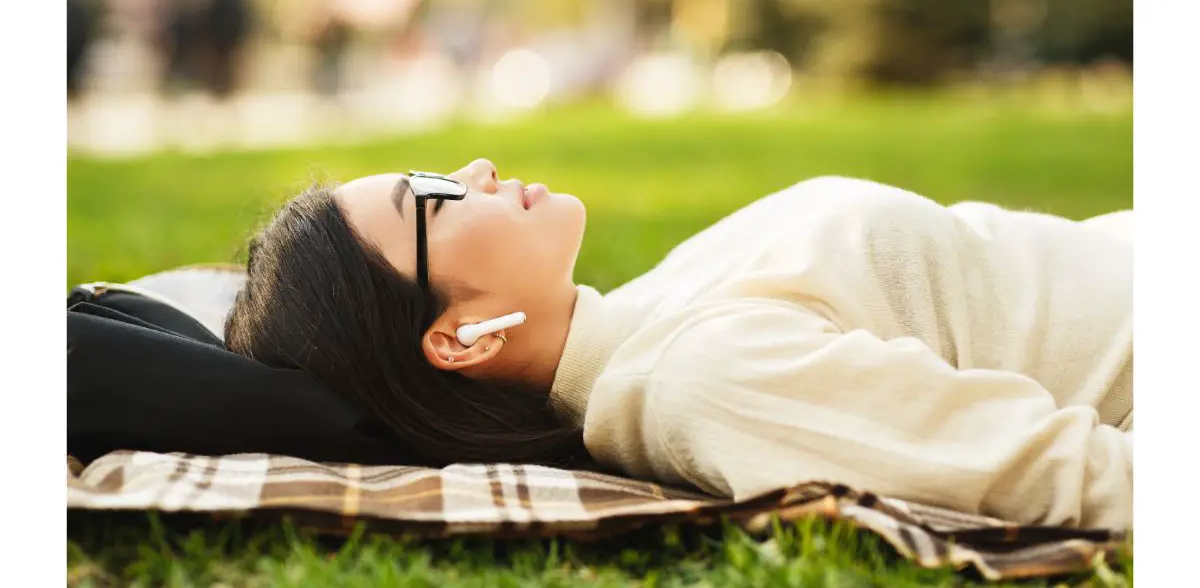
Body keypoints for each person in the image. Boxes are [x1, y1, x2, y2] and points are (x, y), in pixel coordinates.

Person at [225, 159, 1132, 530]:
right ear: (458, 339)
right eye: (431, 196)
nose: (476, 170)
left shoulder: (649, 307)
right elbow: (1077, 475)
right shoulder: (708, 380)